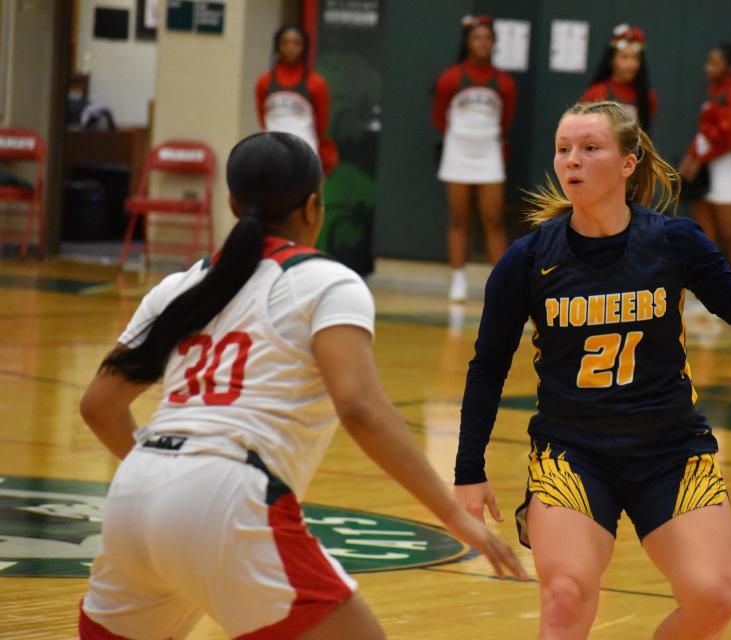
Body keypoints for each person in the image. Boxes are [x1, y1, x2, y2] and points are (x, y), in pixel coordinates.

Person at [453, 100, 731, 639]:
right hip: (573, 452)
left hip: (671, 451)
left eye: (590, 149)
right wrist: (468, 468)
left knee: (715, 599)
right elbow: (488, 366)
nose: (573, 161)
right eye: (564, 150)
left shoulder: (672, 241)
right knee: (565, 595)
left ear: (629, 162)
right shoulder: (527, 259)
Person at [78, 132, 525, 640]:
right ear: (314, 206)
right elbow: (358, 407)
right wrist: (451, 513)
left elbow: (98, 406)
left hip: (134, 491)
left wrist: (164, 481)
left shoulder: (178, 286)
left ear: (230, 203)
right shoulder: (324, 280)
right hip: (227, 489)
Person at [432, 15, 517, 301]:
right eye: (476, 37)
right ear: (467, 42)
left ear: (494, 42)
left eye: (487, 37)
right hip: (458, 150)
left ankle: (503, 283)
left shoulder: (504, 82)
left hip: (488, 152)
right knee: (458, 218)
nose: (482, 43)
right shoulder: (451, 77)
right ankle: (458, 279)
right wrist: (460, 137)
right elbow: (439, 115)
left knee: (493, 219)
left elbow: (506, 120)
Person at [678, 44, 731, 287]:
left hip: (725, 168)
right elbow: (703, 133)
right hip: (704, 169)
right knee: (705, 239)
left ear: (730, 68)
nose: (708, 67)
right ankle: (709, 297)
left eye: (714, 63)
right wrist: (690, 158)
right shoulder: (713, 91)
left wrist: (699, 159)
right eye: (708, 62)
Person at [256, 24, 339, 175]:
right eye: (285, 42)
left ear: (304, 47)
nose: (290, 47)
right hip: (272, 152)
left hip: (305, 151)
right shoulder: (264, 82)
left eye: (296, 43)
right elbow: (263, 118)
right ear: (277, 46)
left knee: (305, 197)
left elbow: (321, 125)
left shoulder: (316, 83)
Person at [580, 24, 658, 132]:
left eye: (635, 58)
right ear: (611, 60)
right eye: (625, 57)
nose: (631, 64)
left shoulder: (648, 98)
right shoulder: (596, 94)